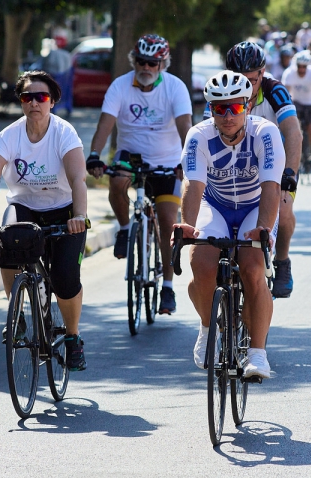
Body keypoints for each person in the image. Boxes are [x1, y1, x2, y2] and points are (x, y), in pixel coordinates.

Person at [0, 71, 89, 371]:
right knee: (7, 248)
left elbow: (77, 178)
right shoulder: (10, 135)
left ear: (52, 101)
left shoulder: (64, 132)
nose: (34, 103)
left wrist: (80, 216)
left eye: (41, 97)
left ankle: (72, 337)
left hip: (64, 210)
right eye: (27, 97)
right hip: (25, 207)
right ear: (21, 102)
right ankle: (17, 314)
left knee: (64, 278)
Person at [178, 70, 285, 379]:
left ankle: (257, 353)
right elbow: (194, 186)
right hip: (217, 205)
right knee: (201, 261)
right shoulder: (199, 136)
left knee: (253, 268)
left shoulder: (265, 133)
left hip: (256, 206)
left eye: (235, 107)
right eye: (219, 108)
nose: (228, 115)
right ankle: (207, 328)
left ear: (247, 106)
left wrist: (264, 227)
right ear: (210, 109)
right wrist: (187, 225)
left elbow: (271, 187)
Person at [86, 34, 192, 315]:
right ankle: (124, 229)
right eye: (142, 62)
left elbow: (186, 127)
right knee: (117, 180)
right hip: (130, 156)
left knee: (168, 222)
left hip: (167, 161)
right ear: (134, 61)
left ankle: (167, 288)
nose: (146, 68)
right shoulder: (120, 86)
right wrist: (94, 155)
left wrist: (186, 160)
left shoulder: (175, 88)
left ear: (162, 64)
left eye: (153, 63)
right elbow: (105, 124)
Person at [221, 41, 303, 298]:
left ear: (263, 73)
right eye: (239, 79)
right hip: (235, 164)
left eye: (252, 79)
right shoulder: (221, 88)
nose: (246, 86)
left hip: (273, 162)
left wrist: (289, 174)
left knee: (283, 207)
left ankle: (282, 260)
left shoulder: (273, 89)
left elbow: (292, 132)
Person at [282, 52, 311, 168]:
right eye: (299, 66)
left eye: (304, 66)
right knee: (293, 130)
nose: (301, 69)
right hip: (295, 104)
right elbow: (286, 92)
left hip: (310, 103)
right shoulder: (289, 73)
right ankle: (292, 156)